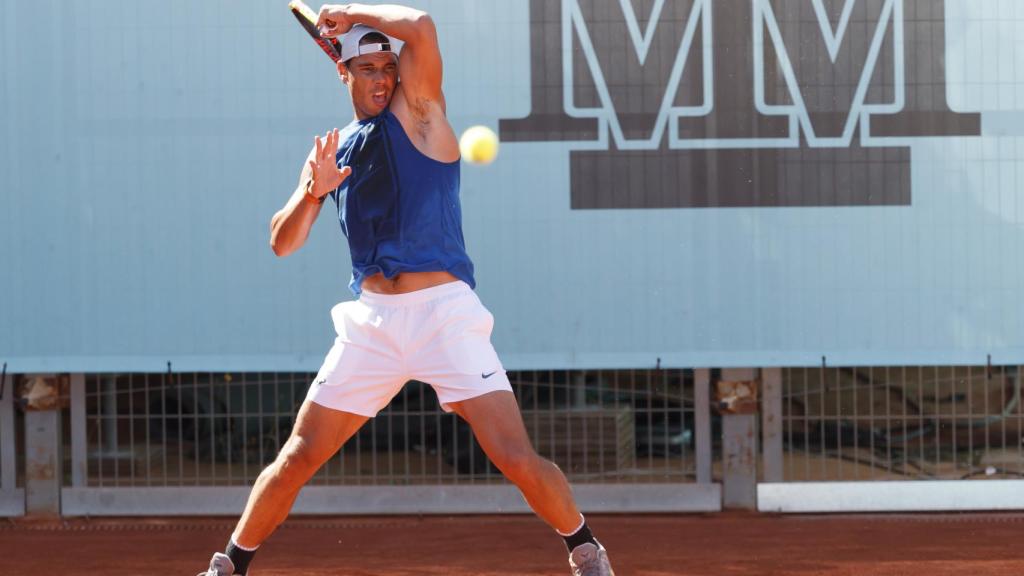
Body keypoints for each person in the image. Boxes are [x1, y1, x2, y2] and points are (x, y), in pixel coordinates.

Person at [200, 4, 614, 575]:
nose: (381, 78)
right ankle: (228, 567)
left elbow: (419, 25)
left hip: (444, 315)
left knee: (514, 456)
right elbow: (282, 242)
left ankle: (586, 550)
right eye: (366, 69)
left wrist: (347, 12)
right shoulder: (333, 151)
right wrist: (313, 193)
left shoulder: (421, 114)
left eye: (386, 67)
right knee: (297, 455)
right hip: (372, 322)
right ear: (343, 74)